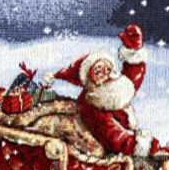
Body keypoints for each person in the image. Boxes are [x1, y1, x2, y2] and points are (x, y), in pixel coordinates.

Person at [53, 23, 161, 159]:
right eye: (98, 72)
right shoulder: (93, 103)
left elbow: (130, 81)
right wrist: (139, 145)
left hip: (128, 138)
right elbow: (111, 134)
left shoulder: (112, 89)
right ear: (89, 81)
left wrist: (134, 49)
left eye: (108, 69)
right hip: (116, 150)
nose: (106, 74)